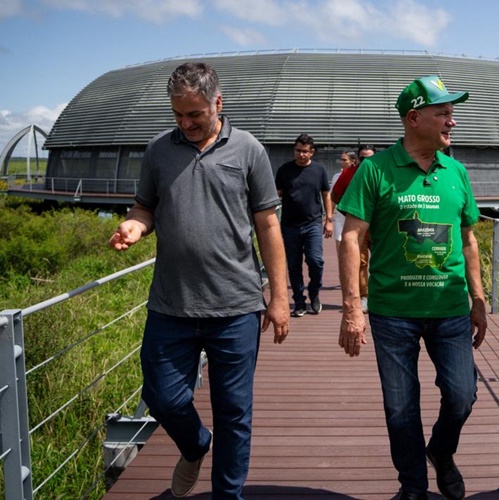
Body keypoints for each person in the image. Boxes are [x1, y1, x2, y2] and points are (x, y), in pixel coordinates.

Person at [107, 61, 289, 499]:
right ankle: (194, 444)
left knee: (234, 413)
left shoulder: (249, 150)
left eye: (195, 115)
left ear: (217, 103)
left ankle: (228, 495)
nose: (185, 123)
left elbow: (267, 224)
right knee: (162, 397)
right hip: (172, 304)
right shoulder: (158, 151)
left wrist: (279, 297)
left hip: (237, 307)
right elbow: (144, 207)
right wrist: (135, 226)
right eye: (178, 115)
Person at [336, 77, 487, 500]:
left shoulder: (455, 171)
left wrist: (478, 298)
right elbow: (351, 238)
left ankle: (440, 450)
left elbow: (469, 238)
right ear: (413, 118)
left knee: (462, 395)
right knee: (400, 408)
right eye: (443, 113)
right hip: (392, 312)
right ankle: (413, 486)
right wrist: (352, 308)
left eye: (451, 113)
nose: (451, 122)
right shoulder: (375, 170)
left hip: (451, 309)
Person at [275, 134, 334, 316]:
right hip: (289, 225)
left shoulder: (319, 170)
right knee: (293, 265)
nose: (301, 155)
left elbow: (326, 194)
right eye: (298, 151)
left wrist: (329, 220)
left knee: (315, 261)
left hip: (312, 224)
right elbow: (277, 194)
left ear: (312, 152)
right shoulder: (285, 170)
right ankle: (299, 301)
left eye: (305, 152)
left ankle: (314, 293)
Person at [331, 144, 375, 313]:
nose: (367, 161)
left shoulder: (383, 171)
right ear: (358, 159)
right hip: (359, 228)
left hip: (380, 227)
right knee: (361, 262)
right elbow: (335, 195)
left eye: (370, 157)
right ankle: (363, 297)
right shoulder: (350, 173)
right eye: (363, 158)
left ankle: (379, 295)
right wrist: (349, 211)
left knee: (381, 261)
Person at [330, 150, 357, 256]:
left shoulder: (359, 175)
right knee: (340, 252)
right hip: (340, 218)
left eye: (344, 160)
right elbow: (333, 197)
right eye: (341, 159)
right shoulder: (336, 176)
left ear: (353, 161)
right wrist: (329, 218)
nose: (342, 162)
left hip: (354, 217)